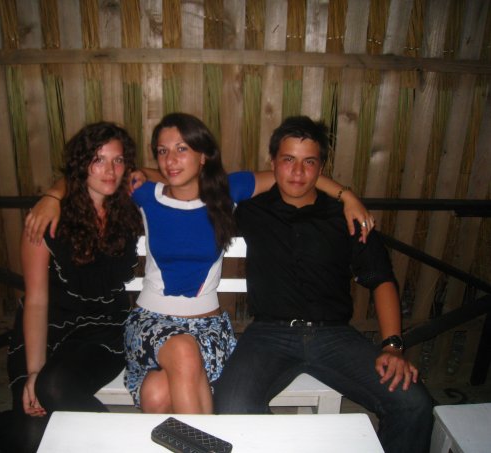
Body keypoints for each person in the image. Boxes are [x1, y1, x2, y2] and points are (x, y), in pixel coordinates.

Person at [24, 112, 374, 415]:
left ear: (203, 155)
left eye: (182, 149)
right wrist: (52, 196)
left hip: (208, 330)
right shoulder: (143, 192)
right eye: (163, 151)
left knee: (156, 394)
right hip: (151, 325)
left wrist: (347, 196)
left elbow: (295, 173)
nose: (171, 160)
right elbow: (93, 171)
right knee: (181, 349)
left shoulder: (228, 191)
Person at [212, 116, 433, 453]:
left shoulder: (345, 216)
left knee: (414, 403)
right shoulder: (251, 210)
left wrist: (392, 347)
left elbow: (381, 279)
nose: (298, 172)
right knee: (231, 407)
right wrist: (346, 191)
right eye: (288, 159)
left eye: (309, 162)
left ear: (321, 167)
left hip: (334, 335)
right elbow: (197, 187)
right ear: (272, 162)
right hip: (268, 334)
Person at [0, 122, 143, 453]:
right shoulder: (47, 220)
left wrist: (55, 190)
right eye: (98, 160)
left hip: (104, 332)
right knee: (31, 437)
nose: (110, 170)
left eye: (118, 160)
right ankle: (0, 428)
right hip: (47, 329)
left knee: (53, 388)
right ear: (81, 164)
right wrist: (34, 371)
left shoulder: (128, 207)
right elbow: (36, 301)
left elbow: (170, 173)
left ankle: (125, 447)